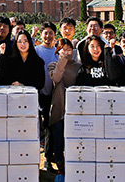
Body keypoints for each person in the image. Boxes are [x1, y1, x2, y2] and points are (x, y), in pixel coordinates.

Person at [46, 39, 81, 173]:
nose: (66, 52)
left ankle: (74, 169)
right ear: (58, 50)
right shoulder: (52, 65)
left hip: (74, 110)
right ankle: (61, 170)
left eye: (69, 49)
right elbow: (56, 78)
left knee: (72, 143)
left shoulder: (78, 66)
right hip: (59, 108)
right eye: (63, 49)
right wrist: (61, 62)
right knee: (59, 142)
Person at [34, 22, 59, 136]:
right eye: (45, 33)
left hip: (52, 93)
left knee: (50, 123)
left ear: (55, 35)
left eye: (51, 33)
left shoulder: (58, 53)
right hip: (38, 92)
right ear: (41, 34)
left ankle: (48, 151)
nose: (48, 36)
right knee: (36, 122)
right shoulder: (36, 50)